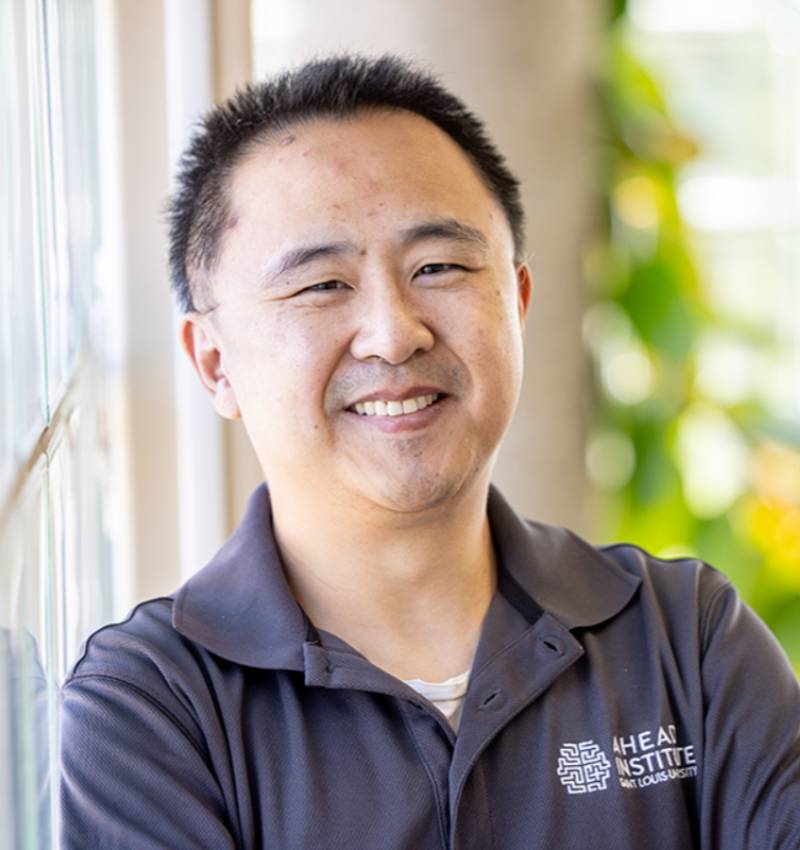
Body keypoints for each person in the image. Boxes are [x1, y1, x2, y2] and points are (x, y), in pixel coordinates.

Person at [60, 54, 800, 849]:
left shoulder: (686, 643)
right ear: (215, 363)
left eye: (438, 267)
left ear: (516, 302)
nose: (394, 333)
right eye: (322, 285)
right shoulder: (150, 711)